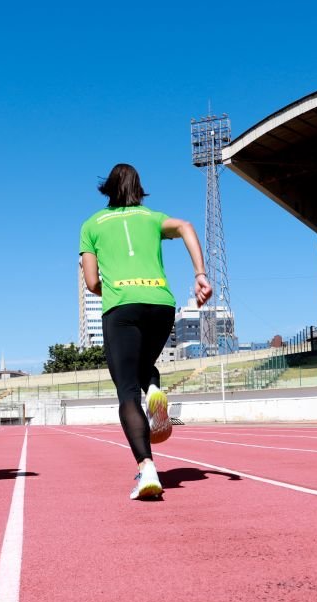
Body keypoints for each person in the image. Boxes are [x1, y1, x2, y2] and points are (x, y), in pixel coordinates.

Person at [79, 163, 212, 500]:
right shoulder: (153, 218)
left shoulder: (91, 225)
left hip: (122, 307)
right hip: (161, 305)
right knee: (142, 368)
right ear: (139, 188)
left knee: (126, 391)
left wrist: (114, 289)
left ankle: (147, 468)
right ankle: (153, 388)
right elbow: (186, 226)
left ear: (107, 188)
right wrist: (200, 274)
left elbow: (92, 282)